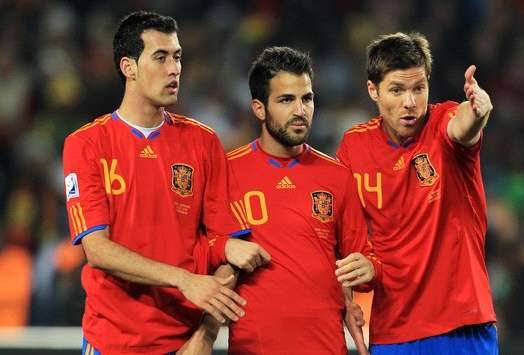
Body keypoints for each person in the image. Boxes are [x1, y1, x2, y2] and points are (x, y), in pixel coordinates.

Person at [62, 11, 269, 355]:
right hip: (112, 342)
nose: (174, 69)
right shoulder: (86, 144)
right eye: (160, 57)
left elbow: (231, 249)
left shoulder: (203, 142)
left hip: (186, 344)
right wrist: (184, 279)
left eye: (177, 57)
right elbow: (97, 250)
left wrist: (205, 336)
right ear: (128, 67)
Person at [336, 32, 498, 354]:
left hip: (461, 324)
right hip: (392, 331)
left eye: (418, 88)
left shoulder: (442, 123)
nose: (410, 103)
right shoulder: (354, 147)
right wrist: (353, 289)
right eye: (396, 90)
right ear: (373, 90)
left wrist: (478, 111)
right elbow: (344, 234)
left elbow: (462, 126)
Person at [221, 46, 382, 355]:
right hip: (253, 348)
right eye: (286, 100)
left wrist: (366, 275)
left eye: (306, 98)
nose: (300, 110)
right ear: (258, 108)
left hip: (325, 346)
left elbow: (362, 258)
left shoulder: (338, 177)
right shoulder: (226, 173)